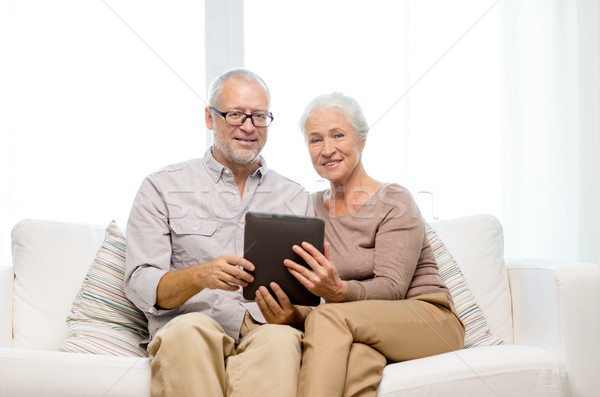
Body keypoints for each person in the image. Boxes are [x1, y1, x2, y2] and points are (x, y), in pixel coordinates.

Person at [124, 68, 314, 397]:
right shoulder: (162, 186)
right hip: (193, 325)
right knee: (186, 333)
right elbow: (140, 285)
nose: (248, 126)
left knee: (283, 340)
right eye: (236, 114)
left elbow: (314, 296)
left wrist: (293, 314)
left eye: (258, 116)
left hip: (266, 329)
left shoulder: (296, 197)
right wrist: (201, 276)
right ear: (210, 119)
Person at [283, 92, 466, 397]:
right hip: (362, 325)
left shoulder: (394, 200)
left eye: (338, 135)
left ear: (362, 141)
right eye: (315, 140)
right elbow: (312, 292)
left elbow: (393, 288)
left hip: (429, 319)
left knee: (329, 317)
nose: (327, 149)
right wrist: (293, 314)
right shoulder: (309, 208)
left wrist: (339, 292)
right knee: (355, 364)